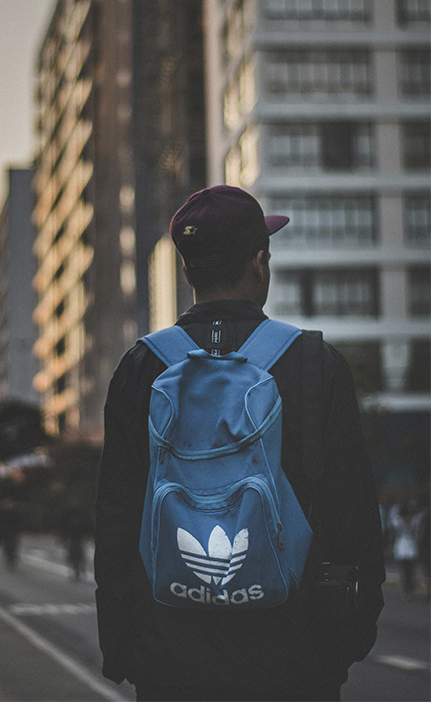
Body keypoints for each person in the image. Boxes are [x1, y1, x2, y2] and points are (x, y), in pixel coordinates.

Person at [95, 185, 385, 702]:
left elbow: (116, 521)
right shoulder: (315, 364)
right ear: (259, 261)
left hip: (170, 659)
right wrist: (343, 643)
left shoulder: (140, 368)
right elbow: (354, 517)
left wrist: (124, 649)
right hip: (293, 659)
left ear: (187, 270)